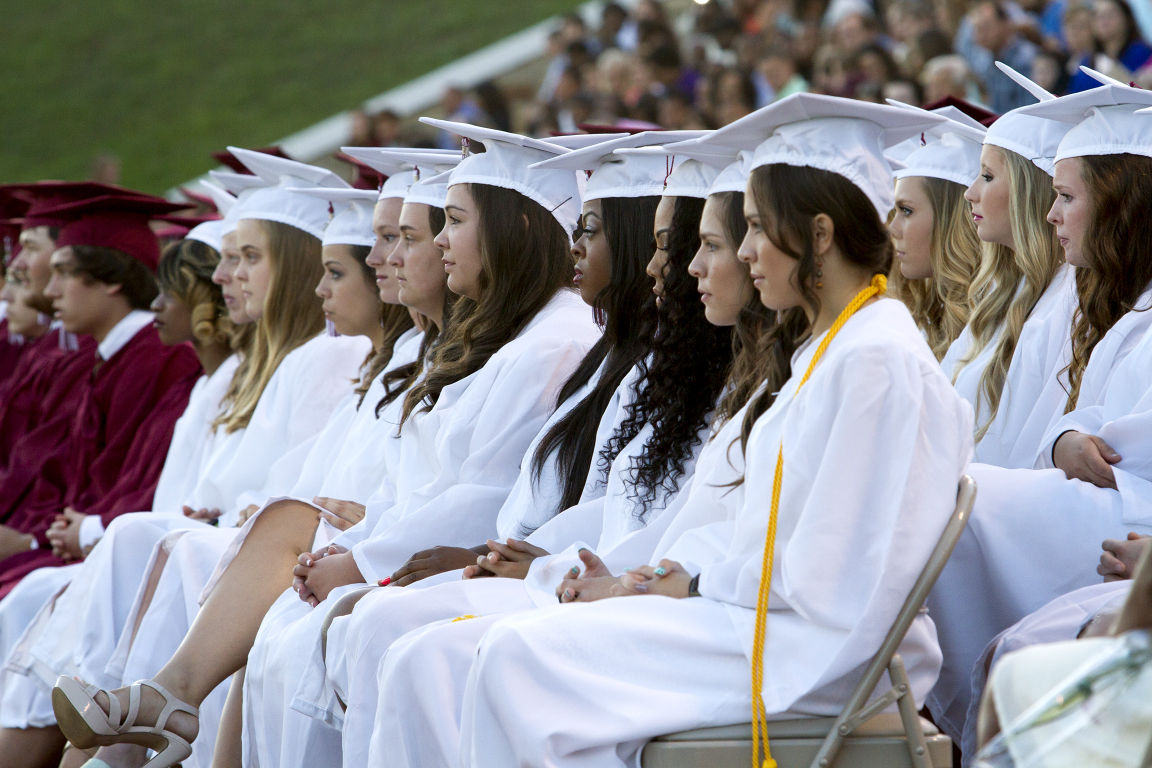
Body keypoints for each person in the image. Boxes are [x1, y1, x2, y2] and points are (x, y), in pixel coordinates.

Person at [337, 94, 972, 768]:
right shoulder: (826, 349)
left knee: (516, 659)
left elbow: (829, 575)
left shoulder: (876, 359)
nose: (750, 253)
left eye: (756, 228)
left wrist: (680, 585)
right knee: (500, 653)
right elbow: (735, 526)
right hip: (752, 615)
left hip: (806, 648)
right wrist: (656, 577)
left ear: (819, 234)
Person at [52, 122, 603, 767]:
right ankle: (163, 704)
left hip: (473, 558)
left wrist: (365, 553)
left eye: (445, 224)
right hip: (418, 541)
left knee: (306, 614)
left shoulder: (550, 343)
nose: (390, 258)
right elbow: (435, 484)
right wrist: (358, 541)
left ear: (512, 232)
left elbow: (483, 493)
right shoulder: (494, 341)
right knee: (276, 570)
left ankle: (163, 708)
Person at [928, 83, 1152, 755]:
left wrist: (1068, 443)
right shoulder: (1123, 308)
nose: (1055, 216)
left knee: (953, 501)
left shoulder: (1089, 307)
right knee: (948, 498)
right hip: (1109, 508)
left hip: (1128, 520)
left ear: (1120, 207)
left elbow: (1122, 451)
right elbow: (1088, 420)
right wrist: (1062, 441)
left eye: (1068, 197)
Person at [0, 192, 203, 596]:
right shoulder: (116, 356)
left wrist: (41, 539)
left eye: (64, 273)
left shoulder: (158, 359)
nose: (50, 291)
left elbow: (134, 479)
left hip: (113, 547)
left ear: (111, 279)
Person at [940, 64, 1078, 469]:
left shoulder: (1066, 302)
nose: (969, 193)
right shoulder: (1004, 293)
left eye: (986, 176)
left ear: (1027, 191)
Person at [888, 109, 985, 359]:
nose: (892, 228)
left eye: (906, 211)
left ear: (951, 221)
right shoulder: (924, 318)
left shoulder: (994, 324)